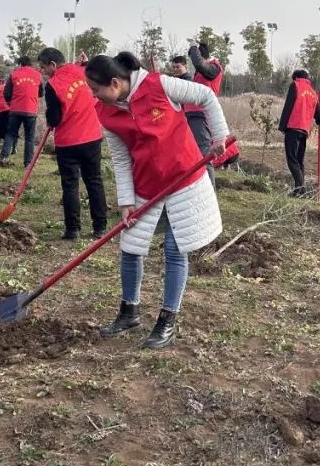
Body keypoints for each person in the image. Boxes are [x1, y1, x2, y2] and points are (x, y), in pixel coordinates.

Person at [85, 52, 228, 349]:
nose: (93, 95)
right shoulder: (106, 112)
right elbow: (122, 159)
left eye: (96, 90)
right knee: (131, 248)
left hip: (184, 181)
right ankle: (129, 312)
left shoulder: (159, 85)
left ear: (114, 83)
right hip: (146, 186)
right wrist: (126, 201)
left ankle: (167, 320)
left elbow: (206, 97)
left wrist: (219, 138)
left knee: (176, 249)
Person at [38, 47, 109, 240]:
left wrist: (49, 118)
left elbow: (54, 119)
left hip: (68, 141)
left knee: (70, 184)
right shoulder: (85, 73)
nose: (43, 72)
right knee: (94, 181)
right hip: (92, 137)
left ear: (53, 64)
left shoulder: (53, 84)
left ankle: (73, 230)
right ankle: (100, 228)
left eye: (44, 68)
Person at [277, 69, 320, 196]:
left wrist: (282, 126)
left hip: (292, 127)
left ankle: (300, 186)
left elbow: (288, 105)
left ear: (295, 77)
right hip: (304, 131)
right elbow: (319, 118)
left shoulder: (295, 85)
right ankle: (300, 191)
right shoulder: (313, 93)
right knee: (299, 160)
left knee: (292, 159)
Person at [183, 40, 224, 185]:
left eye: (193, 57)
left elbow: (199, 63)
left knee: (204, 156)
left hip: (201, 116)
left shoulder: (214, 68)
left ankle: (210, 194)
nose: (192, 62)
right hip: (192, 115)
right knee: (194, 155)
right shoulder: (201, 72)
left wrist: (193, 46)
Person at [0, 56, 43, 167]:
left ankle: (3, 157)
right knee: (29, 137)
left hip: (15, 110)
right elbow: (41, 93)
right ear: (30, 64)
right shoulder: (38, 75)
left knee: (10, 134)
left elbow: (6, 94)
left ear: (20, 64)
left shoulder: (13, 75)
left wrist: (10, 104)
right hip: (31, 111)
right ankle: (28, 163)